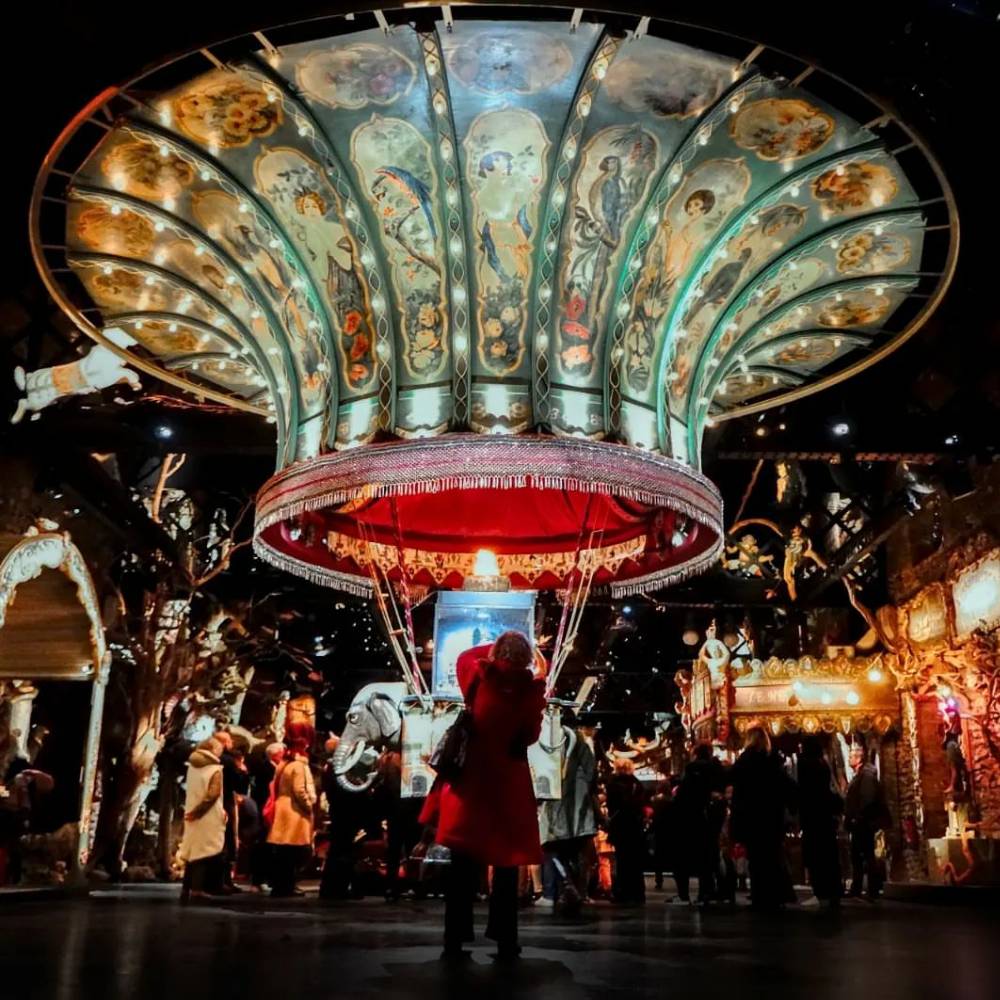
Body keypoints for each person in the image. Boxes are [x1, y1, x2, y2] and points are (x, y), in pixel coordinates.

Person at [420, 630, 546, 962]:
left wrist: (493, 649)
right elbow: (531, 735)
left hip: (473, 781)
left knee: (462, 866)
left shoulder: (478, 677)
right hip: (509, 784)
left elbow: (464, 656)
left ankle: (454, 938)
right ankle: (506, 940)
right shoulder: (531, 691)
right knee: (505, 868)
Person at [731, 727, 796, 910]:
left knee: (756, 858)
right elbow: (788, 787)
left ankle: (761, 894)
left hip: (751, 817)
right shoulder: (772, 762)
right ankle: (775, 894)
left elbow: (732, 781)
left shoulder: (745, 762)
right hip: (772, 817)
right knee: (772, 856)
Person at [539, 724, 598, 913]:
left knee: (551, 847)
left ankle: (565, 886)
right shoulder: (578, 741)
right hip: (576, 805)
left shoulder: (545, 739)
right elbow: (591, 770)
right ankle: (576, 890)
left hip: (556, 801)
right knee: (575, 850)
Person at [267, 722, 317, 898]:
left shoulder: (284, 764)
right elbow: (300, 790)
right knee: (293, 852)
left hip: (282, 809)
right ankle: (287, 886)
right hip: (294, 812)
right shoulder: (299, 766)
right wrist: (309, 806)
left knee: (283, 853)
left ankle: (281, 885)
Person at [319, 734, 369, 901]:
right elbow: (350, 791)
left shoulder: (330, 767)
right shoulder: (339, 768)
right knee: (342, 851)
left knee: (338, 850)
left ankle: (332, 887)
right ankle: (337, 888)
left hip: (339, 812)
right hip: (345, 813)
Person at [673, 744, 725, 904]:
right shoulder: (717, 769)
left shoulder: (692, 768)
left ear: (695, 753)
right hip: (713, 817)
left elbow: (684, 793)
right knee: (710, 856)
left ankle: (684, 894)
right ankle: (708, 891)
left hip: (693, 817)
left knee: (685, 856)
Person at [797, 736, 843, 907]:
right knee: (828, 855)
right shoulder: (822, 764)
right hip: (824, 817)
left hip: (813, 816)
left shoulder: (807, 765)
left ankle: (821, 892)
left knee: (817, 856)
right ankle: (832, 892)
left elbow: (805, 791)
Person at [179, 737, 226, 901]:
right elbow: (213, 794)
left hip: (191, 812)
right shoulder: (215, 769)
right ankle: (197, 889)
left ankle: (186, 888)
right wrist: (199, 812)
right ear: (213, 749)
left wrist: (193, 812)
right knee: (203, 852)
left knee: (192, 851)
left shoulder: (192, 767)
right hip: (208, 815)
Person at [845, 745, 888, 901]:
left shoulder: (867, 775)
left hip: (864, 823)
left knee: (867, 855)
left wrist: (858, 817)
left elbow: (867, 799)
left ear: (858, 758)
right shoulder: (860, 775)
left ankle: (872, 890)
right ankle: (858, 888)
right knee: (857, 855)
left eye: (851, 756)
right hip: (860, 822)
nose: (849, 758)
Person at [606, 758, 647, 905]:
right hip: (634, 827)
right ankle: (638, 893)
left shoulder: (613, 784)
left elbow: (612, 805)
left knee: (622, 861)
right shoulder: (637, 784)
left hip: (620, 827)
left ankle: (623, 893)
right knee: (635, 862)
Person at [215, 730, 250, 892]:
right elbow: (239, 785)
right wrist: (242, 771)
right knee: (226, 840)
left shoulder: (212, 760)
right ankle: (222, 881)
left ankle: (224, 880)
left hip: (217, 802)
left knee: (220, 841)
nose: (231, 744)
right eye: (229, 741)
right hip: (226, 801)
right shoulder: (227, 761)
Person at [248, 742, 283, 891]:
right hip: (265, 811)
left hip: (269, 810)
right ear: (276, 755)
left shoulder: (273, 768)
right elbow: (264, 792)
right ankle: (257, 880)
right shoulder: (266, 769)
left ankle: (266, 878)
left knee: (268, 846)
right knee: (262, 845)